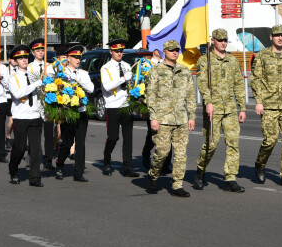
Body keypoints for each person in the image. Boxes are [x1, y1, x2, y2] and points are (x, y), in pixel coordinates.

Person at [194, 29, 247, 193]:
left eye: (225, 39)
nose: (223, 42)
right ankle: (200, 170)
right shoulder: (205, 61)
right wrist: (208, 102)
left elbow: (239, 84)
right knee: (212, 143)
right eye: (220, 40)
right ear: (213, 40)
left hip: (230, 108)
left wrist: (242, 107)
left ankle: (230, 179)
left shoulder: (232, 60)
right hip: (213, 108)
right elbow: (202, 84)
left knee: (233, 143)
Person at [251, 24, 282, 188]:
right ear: (271, 37)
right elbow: (256, 79)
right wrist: (258, 101)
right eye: (277, 35)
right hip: (268, 105)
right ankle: (260, 164)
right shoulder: (263, 56)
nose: (280, 38)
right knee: (270, 140)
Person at [146, 40, 196, 197]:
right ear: (165, 51)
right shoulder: (156, 71)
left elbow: (190, 94)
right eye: (172, 50)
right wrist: (153, 117)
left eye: (177, 50)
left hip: (181, 118)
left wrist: (192, 116)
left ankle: (177, 185)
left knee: (181, 153)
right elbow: (151, 94)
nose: (175, 52)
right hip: (163, 118)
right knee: (162, 152)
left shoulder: (184, 71)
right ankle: (153, 174)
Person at [54, 45, 94, 182]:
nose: (78, 60)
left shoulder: (83, 73)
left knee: (80, 142)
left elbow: (91, 88)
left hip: (81, 111)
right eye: (75, 57)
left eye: (79, 57)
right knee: (67, 141)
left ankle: (78, 173)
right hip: (68, 112)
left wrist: (78, 81)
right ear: (68, 58)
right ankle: (59, 165)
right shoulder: (62, 73)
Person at [100, 38, 138, 177]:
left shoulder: (128, 66)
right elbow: (107, 86)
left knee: (128, 138)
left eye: (121, 51)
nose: (119, 53)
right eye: (116, 51)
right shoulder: (106, 68)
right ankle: (107, 161)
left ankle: (128, 167)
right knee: (113, 137)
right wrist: (123, 78)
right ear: (111, 51)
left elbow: (132, 83)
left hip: (126, 105)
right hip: (113, 106)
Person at [7, 45, 44, 187]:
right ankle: (13, 168)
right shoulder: (13, 78)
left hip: (35, 115)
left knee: (35, 149)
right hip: (21, 116)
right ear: (15, 61)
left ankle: (35, 177)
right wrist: (36, 84)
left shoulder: (35, 75)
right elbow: (17, 94)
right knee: (20, 147)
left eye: (25, 57)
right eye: (20, 58)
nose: (24, 59)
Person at [27, 38, 55, 170]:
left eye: (42, 50)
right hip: (35, 104)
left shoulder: (50, 67)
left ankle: (48, 159)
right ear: (33, 52)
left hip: (48, 104)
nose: (41, 52)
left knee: (49, 134)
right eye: (38, 50)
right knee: (35, 134)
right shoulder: (29, 68)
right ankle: (33, 157)